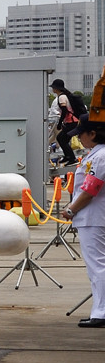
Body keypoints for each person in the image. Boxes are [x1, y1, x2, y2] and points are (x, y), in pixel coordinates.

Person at [68, 121, 105, 328]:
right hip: (94, 216)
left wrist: (71, 209)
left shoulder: (100, 157)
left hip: (93, 218)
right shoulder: (97, 154)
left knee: (97, 266)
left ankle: (101, 312)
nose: (79, 139)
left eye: (81, 134)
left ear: (93, 133)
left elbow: (91, 190)